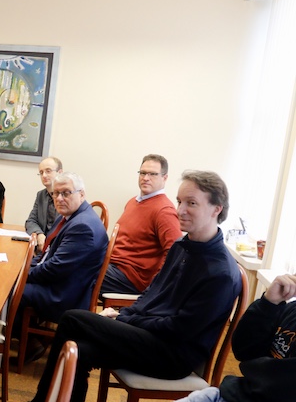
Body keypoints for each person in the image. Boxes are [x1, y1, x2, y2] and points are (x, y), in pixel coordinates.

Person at [29, 170, 242, 402]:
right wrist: (124, 313)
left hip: (172, 355)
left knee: (72, 319)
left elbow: (179, 330)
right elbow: (152, 292)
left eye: (191, 203)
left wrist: (125, 320)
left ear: (216, 209)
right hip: (149, 336)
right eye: (179, 201)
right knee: (77, 348)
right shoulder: (182, 245)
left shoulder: (220, 272)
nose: (180, 210)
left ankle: (41, 400)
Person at [18, 172, 108, 361]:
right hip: (62, 283)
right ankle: (28, 339)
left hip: (65, 295)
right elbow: (47, 257)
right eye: (55, 193)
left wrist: (22, 274)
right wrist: (23, 267)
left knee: (12, 289)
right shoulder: (70, 215)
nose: (59, 198)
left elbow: (54, 269)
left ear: (81, 194)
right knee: (14, 280)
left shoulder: (82, 226)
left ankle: (27, 343)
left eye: (66, 193)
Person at [176, 273, 296, 402]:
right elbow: (244, 352)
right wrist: (269, 304)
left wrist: (255, 370)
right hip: (225, 395)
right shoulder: (292, 311)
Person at [100, 154, 182, 295]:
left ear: (165, 178)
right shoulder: (133, 202)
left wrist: (154, 288)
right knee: (76, 259)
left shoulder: (164, 211)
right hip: (113, 266)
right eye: (143, 173)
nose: (145, 178)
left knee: (79, 269)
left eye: (153, 174)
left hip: (131, 278)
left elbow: (175, 253)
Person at [25, 156, 64, 253]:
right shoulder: (41, 195)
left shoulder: (66, 197)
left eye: (48, 171)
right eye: (41, 172)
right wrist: (39, 234)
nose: (44, 175)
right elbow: (31, 221)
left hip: (58, 249)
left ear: (60, 172)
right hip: (41, 249)